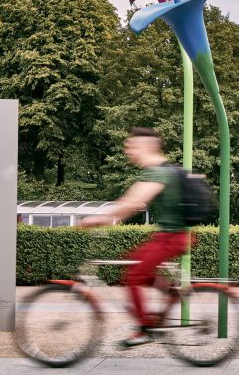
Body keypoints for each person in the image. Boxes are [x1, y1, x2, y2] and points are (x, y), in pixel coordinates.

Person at [81, 127, 191, 348]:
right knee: (135, 265)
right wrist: (109, 215)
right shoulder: (157, 171)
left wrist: (100, 219)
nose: (128, 151)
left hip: (172, 237)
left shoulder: (159, 172)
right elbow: (129, 200)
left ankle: (143, 329)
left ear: (147, 147)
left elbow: (133, 203)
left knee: (133, 275)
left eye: (131, 147)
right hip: (170, 236)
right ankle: (171, 292)